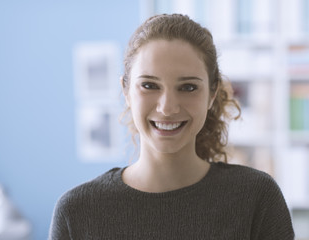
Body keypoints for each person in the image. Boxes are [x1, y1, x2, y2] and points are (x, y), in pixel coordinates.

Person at [49, 14, 294, 239]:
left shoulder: (256, 198)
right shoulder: (76, 212)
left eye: (188, 87)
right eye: (149, 85)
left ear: (212, 93)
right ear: (126, 90)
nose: (167, 108)